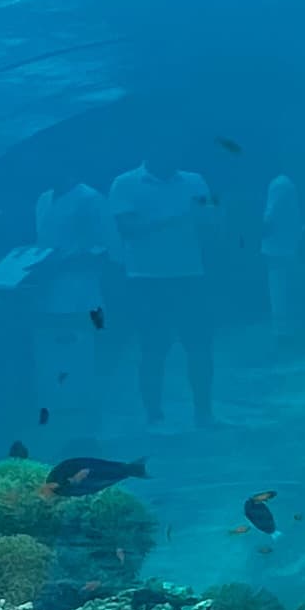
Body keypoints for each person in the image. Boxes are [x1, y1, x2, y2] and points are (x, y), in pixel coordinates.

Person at [109, 145, 216, 428]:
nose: (173, 156)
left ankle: (204, 412)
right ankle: (154, 415)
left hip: (190, 275)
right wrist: (180, 217)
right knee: (153, 349)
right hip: (145, 279)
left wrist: (206, 216)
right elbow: (128, 229)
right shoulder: (125, 183)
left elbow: (208, 219)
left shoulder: (195, 180)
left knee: (200, 346)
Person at [31, 171, 120, 438]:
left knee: (82, 350)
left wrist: (67, 263)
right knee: (53, 352)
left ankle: (85, 418)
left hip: (82, 290)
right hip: (47, 290)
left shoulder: (91, 199)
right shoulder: (43, 198)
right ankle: (58, 410)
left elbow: (106, 247)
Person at [260, 172, 304, 342]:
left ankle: (283, 333)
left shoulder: (277, 184)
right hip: (287, 245)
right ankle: (290, 330)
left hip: (277, 248)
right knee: (286, 288)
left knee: (278, 289)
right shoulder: (287, 183)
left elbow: (269, 216)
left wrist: (257, 231)